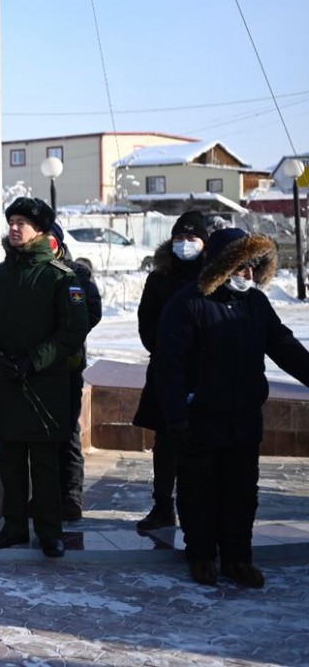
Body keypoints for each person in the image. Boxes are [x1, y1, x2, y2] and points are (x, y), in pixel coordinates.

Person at [156, 228, 309, 588]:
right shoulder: (188, 303)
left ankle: (238, 558)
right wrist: (177, 414)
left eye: (252, 269)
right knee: (199, 491)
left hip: (243, 418)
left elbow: (284, 345)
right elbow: (169, 365)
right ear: (222, 268)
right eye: (241, 269)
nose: (248, 277)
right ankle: (202, 556)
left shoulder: (255, 304)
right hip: (201, 418)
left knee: (242, 492)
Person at [0, 197, 89, 558]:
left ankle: (49, 531)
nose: (15, 228)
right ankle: (14, 527)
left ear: (40, 230)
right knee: (11, 462)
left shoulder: (61, 278)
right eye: (12, 221)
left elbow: (73, 330)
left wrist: (32, 361)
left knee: (44, 463)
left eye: (23, 222)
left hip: (43, 384)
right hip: (5, 383)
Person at [131, 210, 209, 532]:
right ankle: (163, 507)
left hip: (203, 374)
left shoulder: (211, 278)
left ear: (204, 243)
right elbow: (145, 319)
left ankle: (200, 512)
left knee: (201, 444)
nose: (185, 244)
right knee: (164, 443)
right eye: (179, 238)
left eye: (192, 238)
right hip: (165, 370)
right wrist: (163, 350)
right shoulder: (159, 277)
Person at [48, 223, 102, 521]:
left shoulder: (77, 275)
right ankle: (42, 496)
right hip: (34, 367)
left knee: (68, 432)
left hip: (67, 365)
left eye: (51, 239)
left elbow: (92, 311)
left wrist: (67, 333)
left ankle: (70, 496)